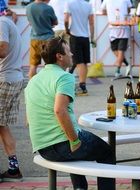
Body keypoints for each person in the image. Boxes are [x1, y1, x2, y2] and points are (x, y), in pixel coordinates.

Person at [25, 37, 115, 190]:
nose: (72, 54)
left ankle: (80, 188)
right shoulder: (64, 77)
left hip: (43, 148)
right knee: (107, 152)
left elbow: (29, 118)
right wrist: (74, 141)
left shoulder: (34, 80)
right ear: (59, 56)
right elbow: (60, 110)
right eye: (68, 51)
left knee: (75, 143)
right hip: (62, 145)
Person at [0, 9, 24, 181]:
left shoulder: (1, 23)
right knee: (2, 125)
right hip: (12, 78)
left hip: (5, 80)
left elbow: (2, 49)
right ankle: (13, 169)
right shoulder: (6, 22)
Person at [64, 0, 94, 96]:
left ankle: (82, 86)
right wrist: (92, 37)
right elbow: (91, 23)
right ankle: (83, 84)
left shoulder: (70, 4)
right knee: (84, 62)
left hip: (75, 35)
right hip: (85, 36)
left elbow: (66, 19)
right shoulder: (88, 5)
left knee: (79, 61)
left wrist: (67, 29)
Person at [26, 0, 58, 79]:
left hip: (34, 39)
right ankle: (48, 86)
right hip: (48, 39)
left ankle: (32, 87)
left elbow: (30, 22)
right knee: (50, 66)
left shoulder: (29, 7)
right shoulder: (48, 8)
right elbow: (55, 22)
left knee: (33, 66)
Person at [101, 0, 133, 77]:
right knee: (114, 49)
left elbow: (129, 10)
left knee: (121, 50)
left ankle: (117, 71)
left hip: (124, 28)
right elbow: (103, 10)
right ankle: (127, 64)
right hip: (112, 28)